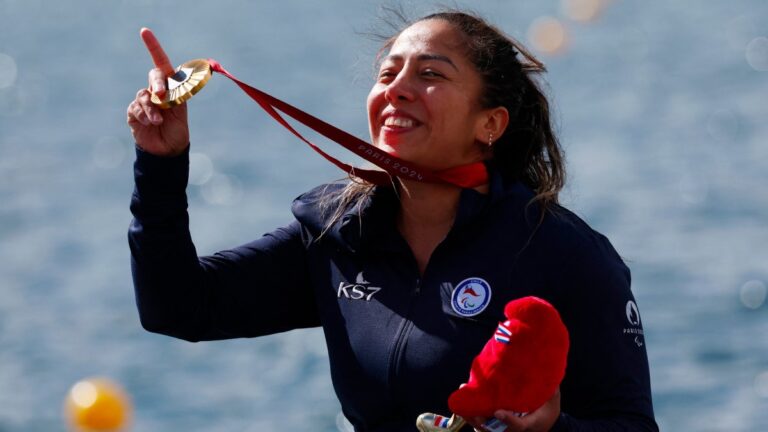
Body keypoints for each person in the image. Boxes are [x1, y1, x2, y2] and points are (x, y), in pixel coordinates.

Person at [126, 10, 658, 432]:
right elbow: (178, 307)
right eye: (388, 74)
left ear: (490, 123)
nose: (396, 89)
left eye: (430, 74)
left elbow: (632, 426)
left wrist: (553, 430)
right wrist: (160, 163)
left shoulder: (562, 252)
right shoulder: (338, 233)